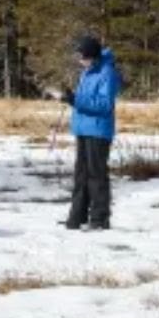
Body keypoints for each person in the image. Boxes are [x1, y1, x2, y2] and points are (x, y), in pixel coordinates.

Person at [47, 35, 122, 231]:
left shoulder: (108, 73)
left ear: (92, 55)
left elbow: (105, 105)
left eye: (82, 56)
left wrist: (74, 99)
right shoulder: (87, 72)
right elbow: (83, 98)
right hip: (83, 128)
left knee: (96, 176)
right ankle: (77, 217)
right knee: (81, 175)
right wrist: (68, 96)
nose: (79, 60)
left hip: (98, 130)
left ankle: (99, 219)